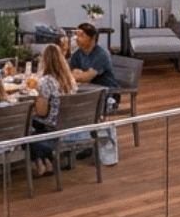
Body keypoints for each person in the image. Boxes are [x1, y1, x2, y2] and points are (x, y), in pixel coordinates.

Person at [28, 43, 76, 176]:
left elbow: (41, 112)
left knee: (26, 123)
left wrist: (34, 93)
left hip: (51, 127)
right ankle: (46, 160)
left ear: (44, 60)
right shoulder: (68, 79)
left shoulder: (46, 81)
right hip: (65, 124)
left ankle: (38, 162)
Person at [68, 22, 118, 95]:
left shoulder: (101, 54)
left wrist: (80, 74)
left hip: (107, 92)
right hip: (89, 91)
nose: (77, 39)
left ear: (92, 38)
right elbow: (72, 73)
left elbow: (86, 77)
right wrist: (79, 75)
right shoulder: (78, 54)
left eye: (81, 35)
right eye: (76, 35)